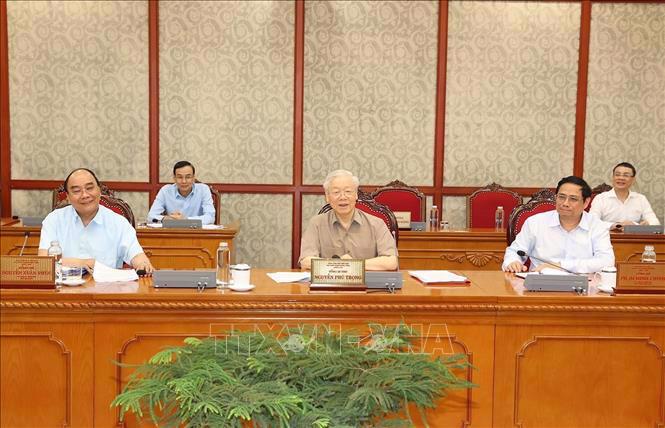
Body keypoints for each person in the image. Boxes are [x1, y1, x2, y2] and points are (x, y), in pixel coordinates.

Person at [38, 168, 154, 273]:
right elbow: (44, 262)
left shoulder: (118, 222)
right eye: (77, 191)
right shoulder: (54, 220)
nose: (85, 195)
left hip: (106, 290)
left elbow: (136, 255)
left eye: (89, 188)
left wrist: (143, 264)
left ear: (99, 190)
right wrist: (84, 263)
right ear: (67, 196)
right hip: (63, 290)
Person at [502, 176, 614, 274]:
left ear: (586, 202)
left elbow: (606, 261)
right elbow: (515, 251)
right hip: (540, 285)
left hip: (584, 286)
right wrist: (513, 262)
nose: (565, 203)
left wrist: (561, 265)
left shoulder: (597, 226)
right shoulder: (535, 222)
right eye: (561, 197)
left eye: (573, 199)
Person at [299, 170, 398, 271]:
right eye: (336, 192)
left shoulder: (377, 224)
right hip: (329, 284)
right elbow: (305, 261)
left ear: (356, 195)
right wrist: (338, 265)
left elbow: (391, 262)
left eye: (348, 191)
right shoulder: (316, 223)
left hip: (367, 285)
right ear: (327, 197)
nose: (343, 197)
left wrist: (355, 264)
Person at [589, 162, 660, 230]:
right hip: (605, 238)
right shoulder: (600, 198)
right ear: (613, 177)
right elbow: (592, 222)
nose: (621, 178)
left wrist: (635, 225)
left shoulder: (640, 199)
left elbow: (655, 223)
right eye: (617, 174)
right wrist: (616, 226)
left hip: (632, 240)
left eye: (626, 175)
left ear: (633, 180)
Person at [147, 161, 216, 225]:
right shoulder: (165, 190)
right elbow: (150, 217)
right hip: (173, 234)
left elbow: (210, 217)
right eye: (180, 177)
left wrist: (186, 220)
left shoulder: (203, 189)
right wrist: (165, 219)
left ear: (193, 178)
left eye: (188, 177)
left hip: (197, 234)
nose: (184, 181)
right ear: (174, 178)